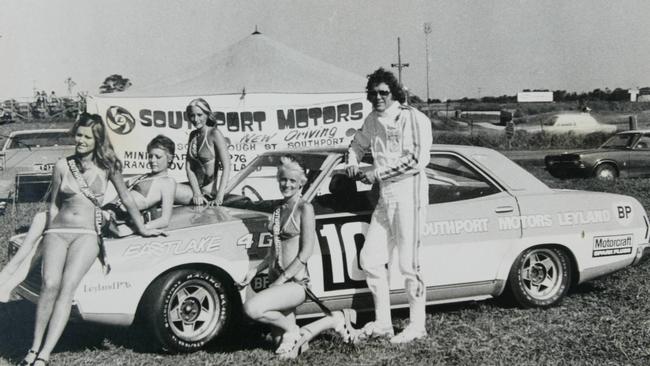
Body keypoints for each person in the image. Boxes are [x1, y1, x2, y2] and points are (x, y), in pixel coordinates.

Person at [17, 113, 163, 366]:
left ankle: (44, 355)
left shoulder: (109, 166)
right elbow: (53, 206)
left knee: (67, 288)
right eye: (79, 135)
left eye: (87, 137)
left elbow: (127, 199)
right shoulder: (63, 165)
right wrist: (48, 234)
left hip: (86, 235)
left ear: (97, 140)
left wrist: (143, 228)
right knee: (49, 284)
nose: (81, 140)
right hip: (57, 232)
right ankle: (33, 347)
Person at [0, 135, 177, 303]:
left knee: (46, 226)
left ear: (169, 158)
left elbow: (165, 219)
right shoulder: (143, 176)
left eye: (158, 157)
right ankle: (8, 278)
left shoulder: (168, 183)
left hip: (112, 220)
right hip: (100, 213)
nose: (152, 160)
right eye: (150, 156)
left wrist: (138, 229)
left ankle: (10, 280)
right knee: (41, 221)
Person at [240, 155, 359, 359]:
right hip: (276, 280)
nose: (287, 184)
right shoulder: (278, 211)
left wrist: (280, 280)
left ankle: (294, 331)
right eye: (283, 179)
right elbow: (273, 253)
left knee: (252, 308)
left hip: (295, 283)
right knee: (281, 346)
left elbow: (305, 254)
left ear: (301, 183)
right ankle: (333, 320)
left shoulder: (305, 208)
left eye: (292, 181)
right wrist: (254, 271)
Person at [346, 67, 433, 344]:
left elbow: (416, 160)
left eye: (383, 92)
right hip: (386, 197)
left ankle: (417, 325)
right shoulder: (373, 118)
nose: (377, 98)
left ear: (394, 92)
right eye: (372, 94)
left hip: (410, 195)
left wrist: (376, 172)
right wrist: (352, 161)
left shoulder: (412, 117)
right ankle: (383, 323)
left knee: (410, 264)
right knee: (370, 258)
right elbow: (357, 143)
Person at [175, 98, 231, 206]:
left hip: (208, 194)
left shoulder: (214, 133)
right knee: (166, 186)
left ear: (207, 114)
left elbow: (227, 166)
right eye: (192, 115)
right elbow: (189, 168)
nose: (195, 119)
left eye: (199, 115)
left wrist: (219, 197)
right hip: (195, 192)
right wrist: (196, 193)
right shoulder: (193, 135)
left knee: (166, 188)